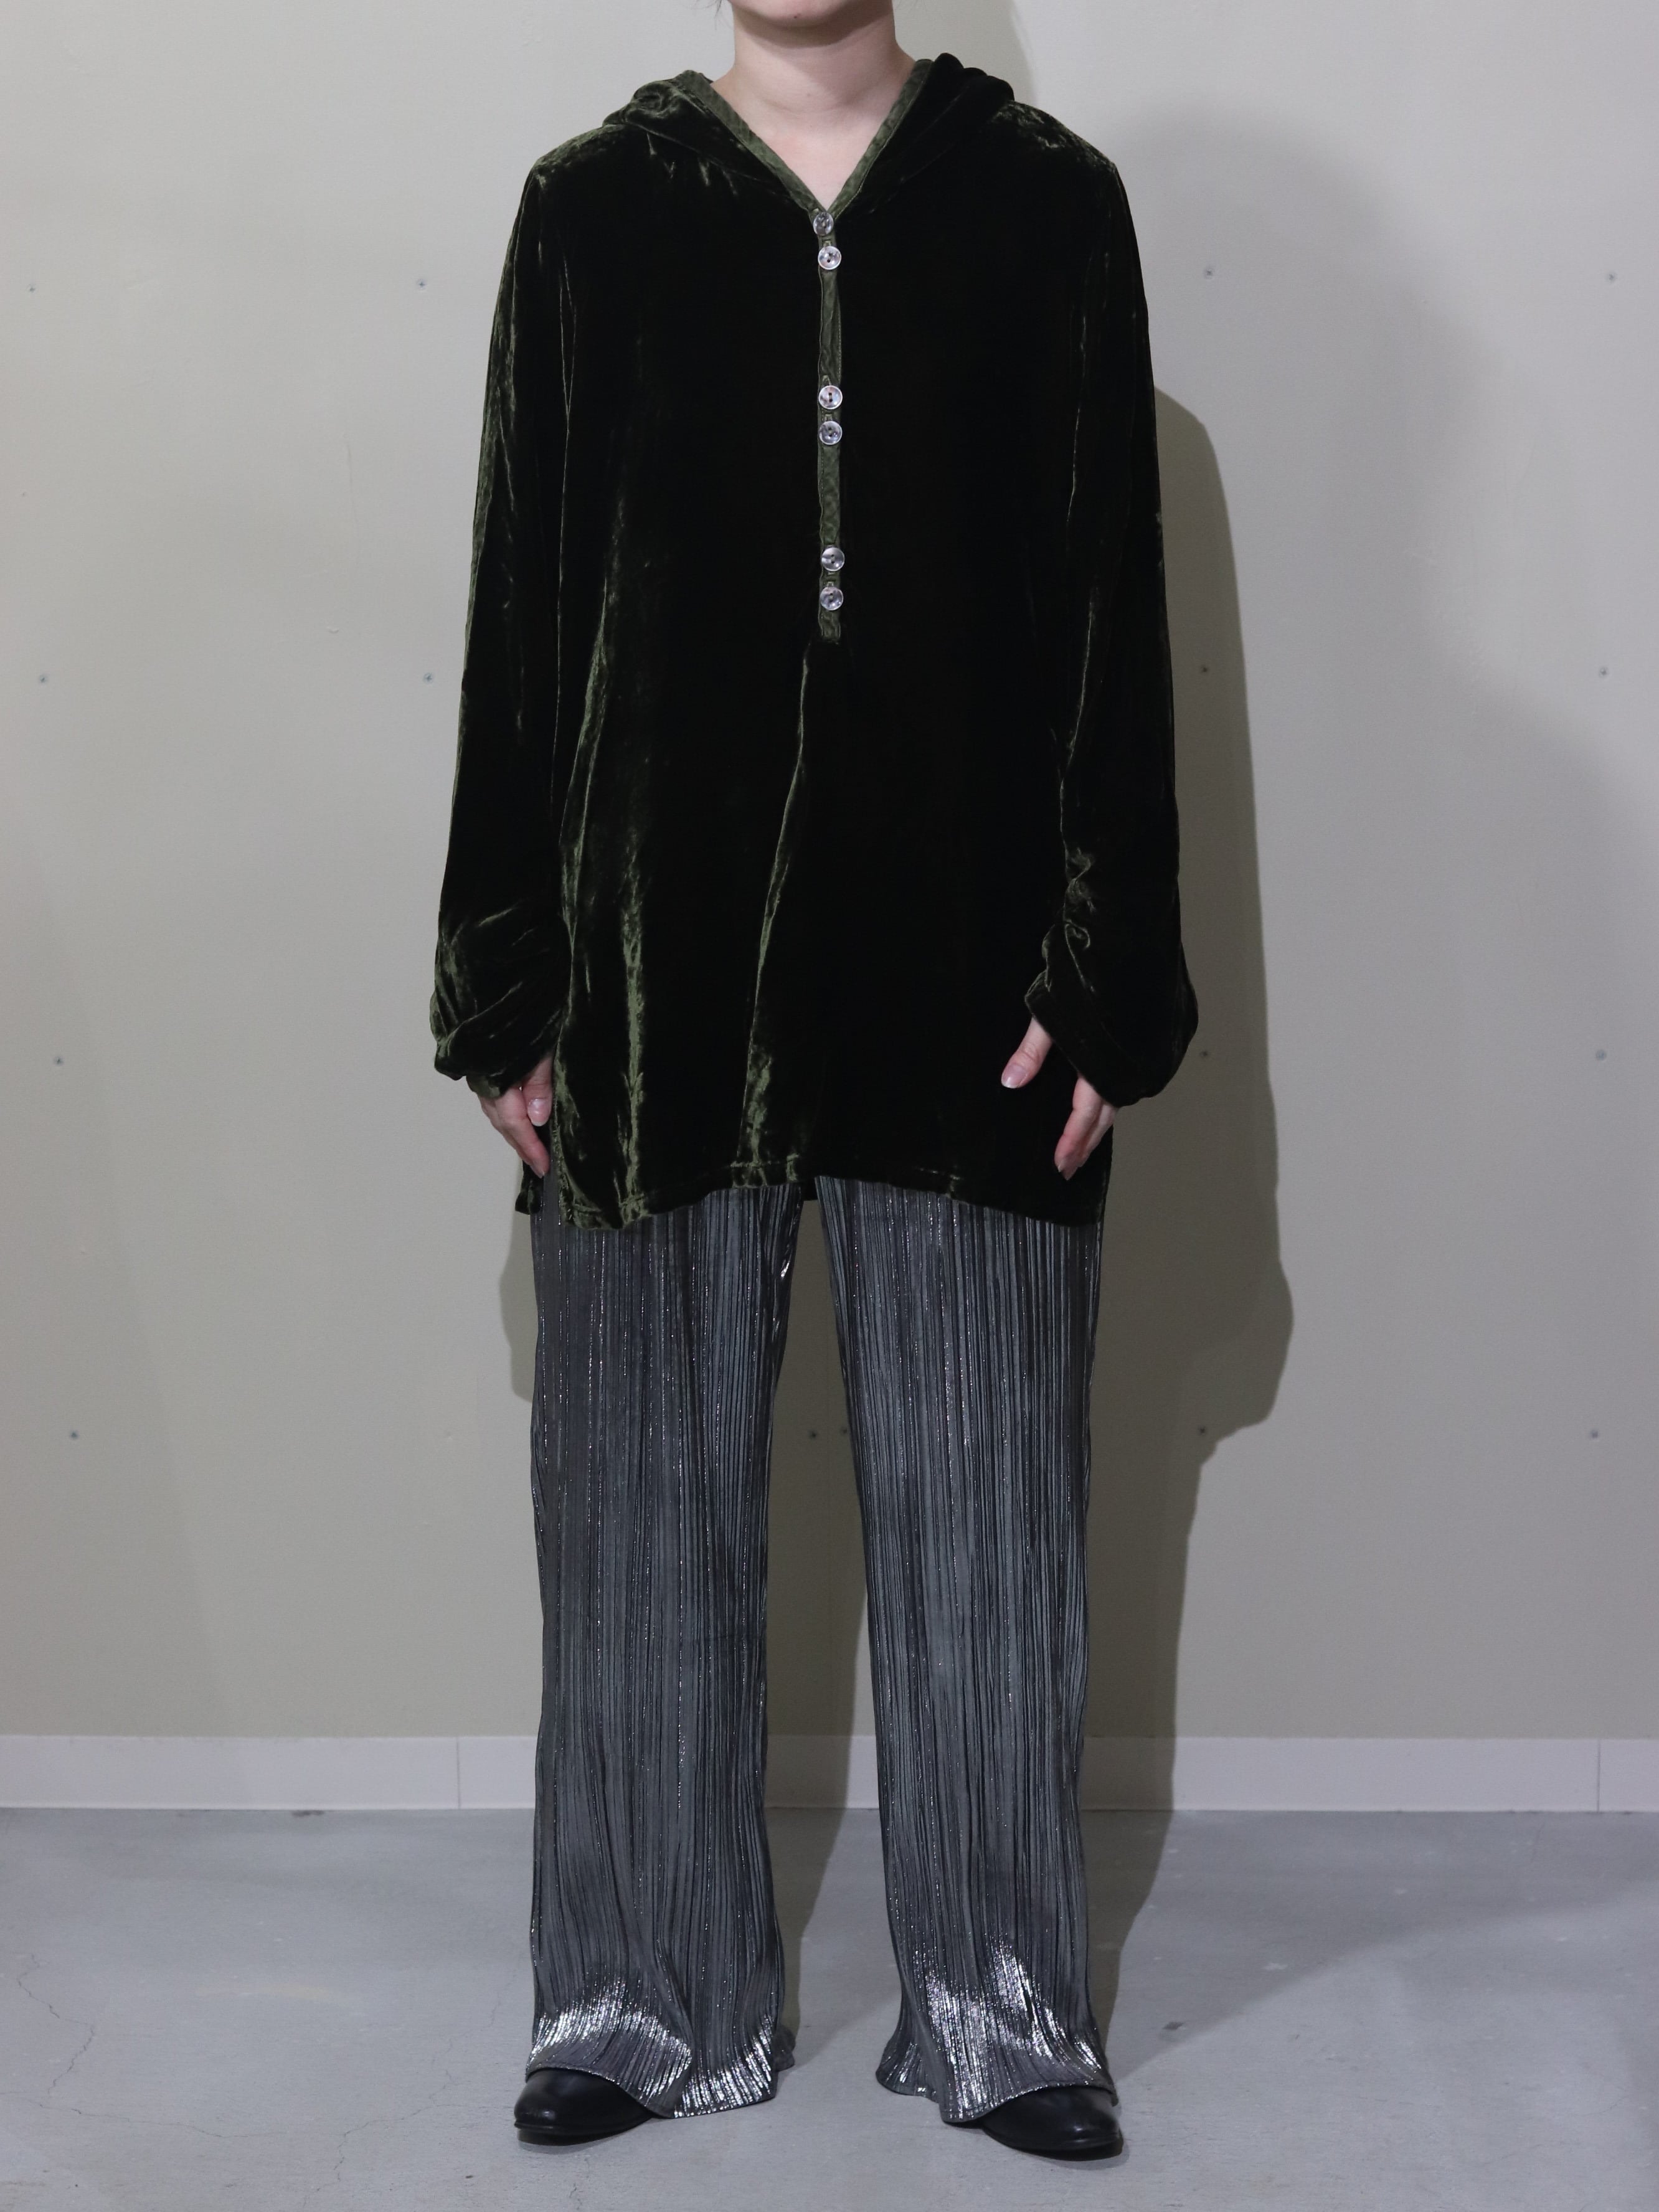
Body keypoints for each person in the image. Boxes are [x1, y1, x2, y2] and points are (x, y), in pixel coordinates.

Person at [431, 0, 1196, 2166]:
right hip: (652, 971)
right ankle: (639, 1994)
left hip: (970, 983)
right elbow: (522, 604)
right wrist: (507, 976)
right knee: (638, 1516)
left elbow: (1111, 610)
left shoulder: (1046, 210)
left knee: (990, 1518)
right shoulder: (594, 215)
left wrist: (1109, 983)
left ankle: (1001, 2004)